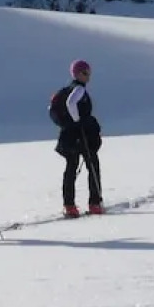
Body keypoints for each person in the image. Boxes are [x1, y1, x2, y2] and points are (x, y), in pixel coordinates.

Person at [54, 59, 103, 216]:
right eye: (85, 73)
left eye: (89, 72)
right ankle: (94, 203)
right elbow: (70, 103)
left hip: (68, 135)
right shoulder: (79, 90)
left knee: (71, 168)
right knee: (92, 166)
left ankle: (69, 205)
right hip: (81, 135)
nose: (88, 76)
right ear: (77, 74)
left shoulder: (67, 88)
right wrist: (78, 121)